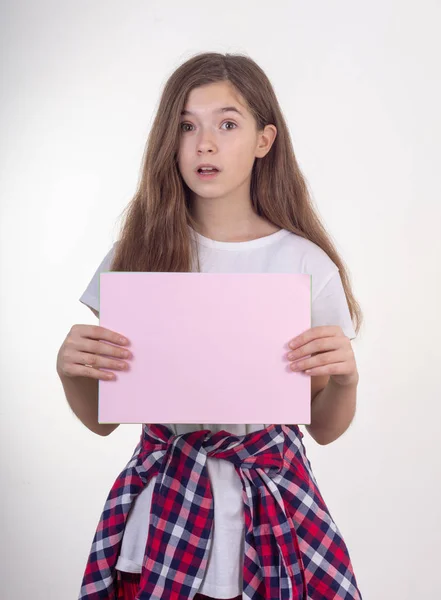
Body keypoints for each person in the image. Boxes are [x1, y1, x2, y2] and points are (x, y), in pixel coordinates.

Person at [57, 52, 364, 600]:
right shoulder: (137, 254)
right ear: (168, 141)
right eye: (186, 125)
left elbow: (322, 427)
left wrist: (346, 379)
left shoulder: (305, 263)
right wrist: (71, 372)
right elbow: (104, 421)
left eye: (227, 124)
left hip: (271, 509)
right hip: (160, 512)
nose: (205, 144)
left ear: (264, 141)